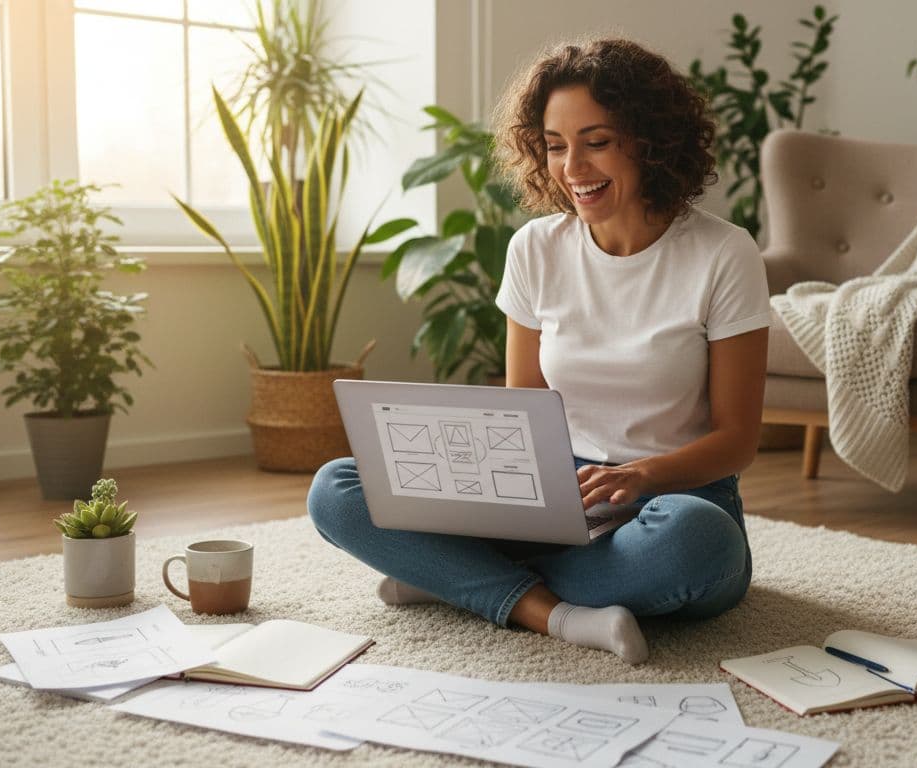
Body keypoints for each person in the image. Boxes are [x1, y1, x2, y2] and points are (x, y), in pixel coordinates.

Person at [306, 38, 770, 665]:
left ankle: (459, 580)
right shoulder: (535, 248)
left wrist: (638, 476)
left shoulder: (723, 253)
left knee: (698, 545)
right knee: (337, 487)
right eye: (555, 145)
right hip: (552, 493)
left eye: (597, 140)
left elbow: (737, 439)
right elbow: (520, 407)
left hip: (671, 497)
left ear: (650, 139)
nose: (572, 166)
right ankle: (548, 612)